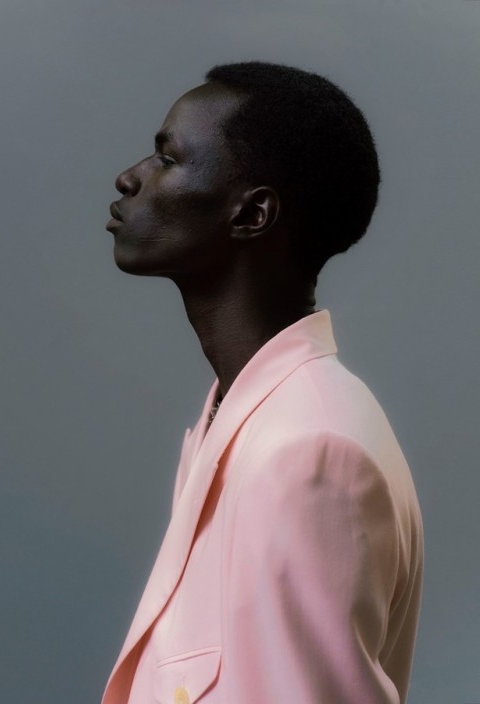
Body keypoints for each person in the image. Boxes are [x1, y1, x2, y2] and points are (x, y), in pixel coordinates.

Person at [102, 61, 423, 704]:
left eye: (168, 157)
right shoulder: (241, 422)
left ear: (252, 214)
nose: (130, 176)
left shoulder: (306, 456)